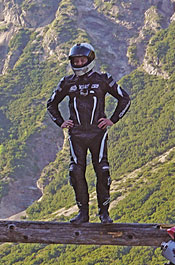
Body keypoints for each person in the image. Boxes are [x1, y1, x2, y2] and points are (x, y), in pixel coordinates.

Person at [46, 42, 131, 224]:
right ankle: (82, 213)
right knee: (76, 172)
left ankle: (104, 213)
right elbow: (51, 104)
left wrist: (112, 119)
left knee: (102, 171)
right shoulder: (67, 82)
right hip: (76, 135)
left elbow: (125, 98)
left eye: (82, 60)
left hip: (97, 134)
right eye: (75, 61)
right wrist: (61, 122)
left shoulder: (103, 79)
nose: (78, 64)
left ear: (90, 60)